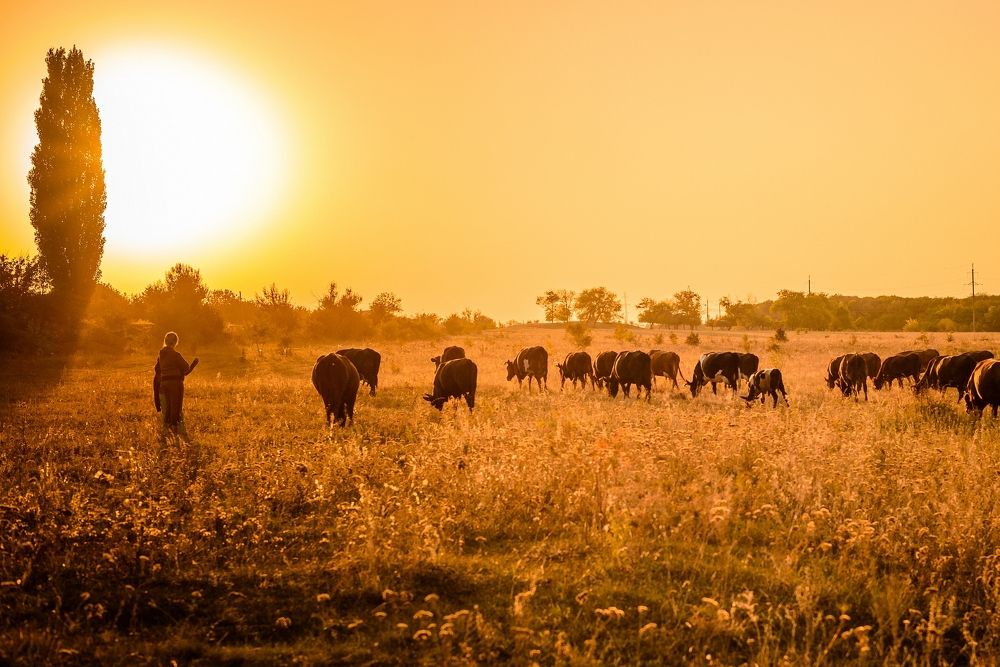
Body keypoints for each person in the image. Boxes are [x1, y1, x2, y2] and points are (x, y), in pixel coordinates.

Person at [153, 332, 199, 436]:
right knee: (176, 406)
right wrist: (194, 364)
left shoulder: (161, 355)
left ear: (165, 341)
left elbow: (157, 369)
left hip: (164, 384)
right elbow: (186, 369)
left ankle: (166, 430)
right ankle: (175, 431)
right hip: (175, 384)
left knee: (168, 407)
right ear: (175, 342)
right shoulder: (175, 355)